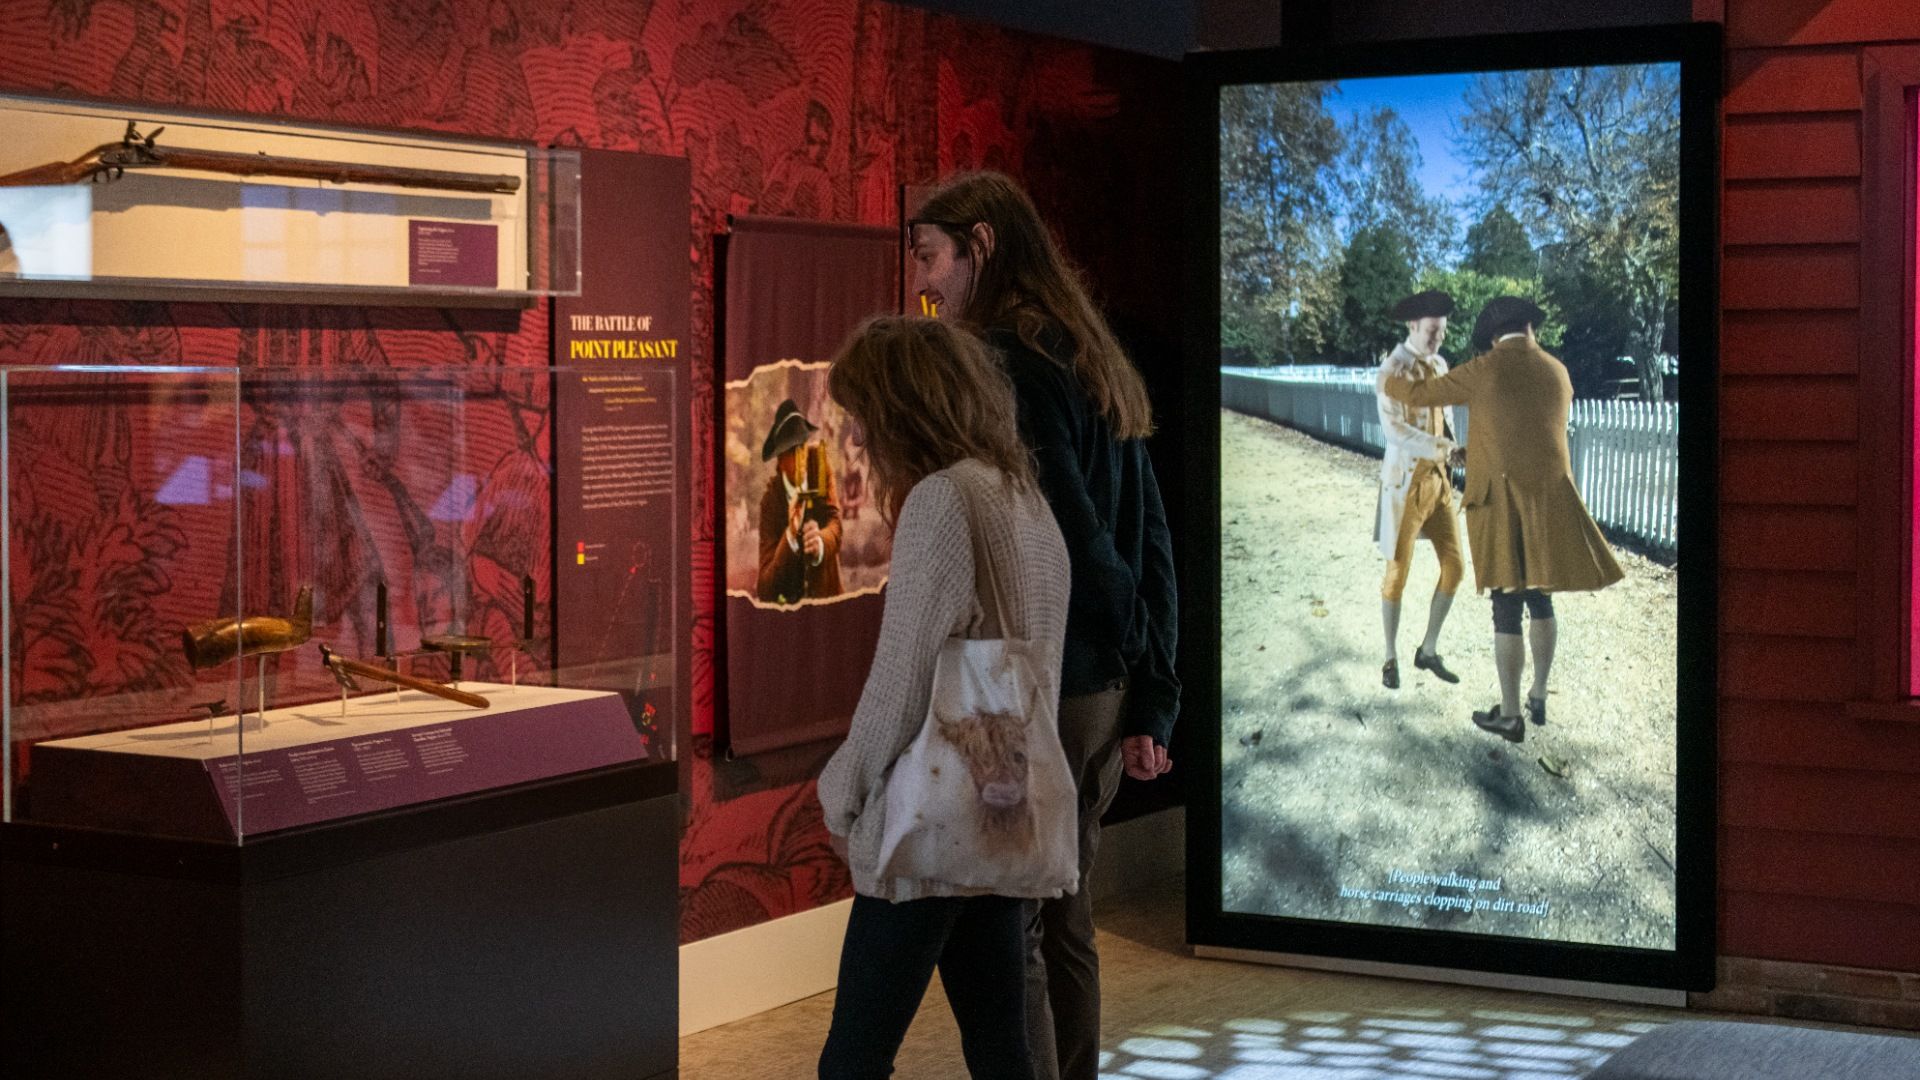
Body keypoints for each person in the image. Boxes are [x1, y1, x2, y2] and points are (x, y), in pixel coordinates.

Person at [908, 170, 1178, 1080]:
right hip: (1097, 686)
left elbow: (1082, 534)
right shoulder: (1087, 350)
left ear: (981, 244)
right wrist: (1153, 691)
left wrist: (1133, 650)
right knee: (1063, 912)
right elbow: (1150, 533)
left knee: (1008, 923)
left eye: (930, 255)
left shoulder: (1012, 360)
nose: (924, 280)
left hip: (1047, 678)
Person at [816, 315, 1071, 1079]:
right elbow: (1039, 675)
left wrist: (841, 797)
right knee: (1003, 1053)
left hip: (934, 816)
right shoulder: (1023, 496)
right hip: (1000, 814)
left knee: (853, 1062)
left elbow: (900, 683)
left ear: (901, 406)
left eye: (861, 409)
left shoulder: (939, 502)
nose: (854, 434)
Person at [1383, 296, 1624, 741]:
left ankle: (1510, 715)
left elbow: (1418, 394)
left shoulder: (1484, 369)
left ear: (1492, 336)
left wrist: (1388, 377)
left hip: (1501, 505)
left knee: (1506, 604)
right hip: (1550, 502)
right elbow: (1528, 433)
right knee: (1541, 599)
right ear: (1531, 327)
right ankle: (1537, 695)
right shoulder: (1558, 372)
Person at [1375, 289, 1466, 691]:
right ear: (1413, 326)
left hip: (1439, 483)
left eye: (1442, 332)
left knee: (1456, 567)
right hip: (1406, 484)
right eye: (1432, 332)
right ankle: (1390, 657)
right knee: (1398, 573)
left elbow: (1443, 418)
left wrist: (1455, 451)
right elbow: (1394, 431)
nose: (1437, 340)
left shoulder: (1441, 364)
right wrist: (1444, 448)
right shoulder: (1392, 370)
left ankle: (1427, 649)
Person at [756, 398, 844, 604]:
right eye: (791, 450)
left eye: (802, 445)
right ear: (780, 460)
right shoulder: (770, 502)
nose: (801, 457)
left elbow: (836, 523)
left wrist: (821, 542)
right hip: (793, 610)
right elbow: (765, 587)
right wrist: (790, 537)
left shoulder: (820, 465)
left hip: (828, 600)